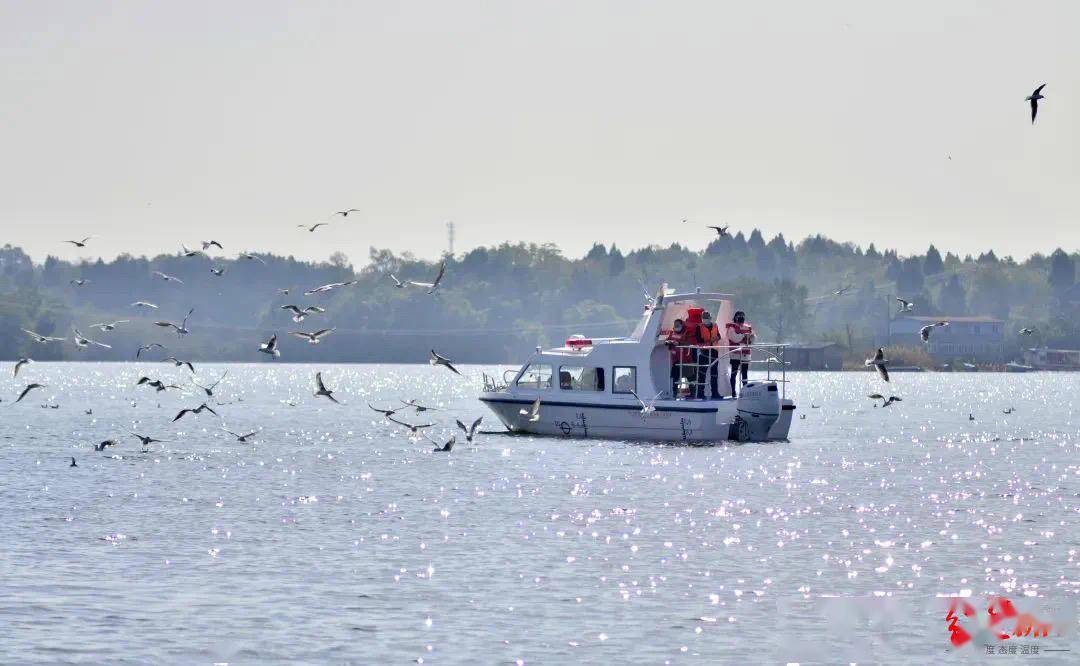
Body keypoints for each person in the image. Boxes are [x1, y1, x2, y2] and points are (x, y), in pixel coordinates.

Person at [725, 310, 754, 396]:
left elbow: (752, 339)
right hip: (735, 354)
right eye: (739, 316)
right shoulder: (731, 328)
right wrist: (744, 336)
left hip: (745, 354)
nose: (741, 318)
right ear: (735, 318)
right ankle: (733, 392)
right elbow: (735, 338)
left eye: (742, 316)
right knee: (734, 373)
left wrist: (749, 337)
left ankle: (745, 392)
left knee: (744, 373)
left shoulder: (748, 327)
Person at [666, 318, 694, 396]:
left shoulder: (687, 333)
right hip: (676, 360)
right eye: (675, 325)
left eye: (678, 325)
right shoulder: (672, 333)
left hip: (686, 359)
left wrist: (678, 343)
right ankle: (674, 393)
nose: (676, 326)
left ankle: (693, 394)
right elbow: (668, 340)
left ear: (682, 325)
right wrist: (668, 342)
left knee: (690, 378)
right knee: (675, 377)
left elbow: (688, 343)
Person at [696, 310, 720, 398]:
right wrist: (709, 340)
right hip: (704, 352)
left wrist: (717, 338)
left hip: (714, 351)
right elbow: (698, 339)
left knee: (714, 374)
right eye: (704, 318)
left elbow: (719, 336)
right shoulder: (699, 327)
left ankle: (715, 393)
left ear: (710, 318)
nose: (705, 319)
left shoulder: (715, 326)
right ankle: (700, 394)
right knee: (702, 373)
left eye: (707, 318)